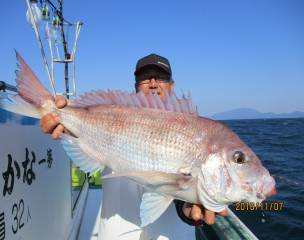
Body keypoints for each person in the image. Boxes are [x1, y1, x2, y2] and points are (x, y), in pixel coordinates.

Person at [40, 54, 228, 239]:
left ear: (172, 86)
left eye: (161, 77)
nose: (153, 82)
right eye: (145, 78)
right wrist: (63, 121)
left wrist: (189, 208)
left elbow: (184, 185)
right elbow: (84, 124)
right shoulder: (114, 115)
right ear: (135, 87)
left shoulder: (194, 132)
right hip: (117, 232)